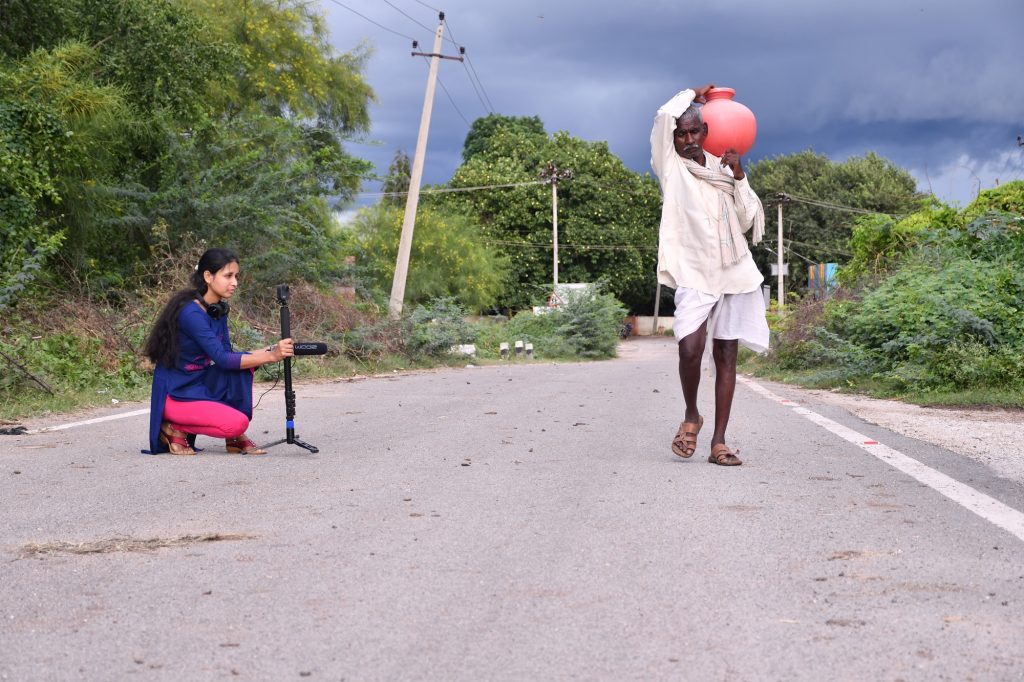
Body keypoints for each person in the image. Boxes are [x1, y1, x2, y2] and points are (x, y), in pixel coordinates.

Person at [650, 84, 769, 466]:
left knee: (726, 354)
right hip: (694, 271)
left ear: (706, 133)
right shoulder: (671, 167)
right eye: (681, 133)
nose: (687, 139)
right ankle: (691, 415)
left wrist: (738, 175)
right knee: (689, 347)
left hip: (733, 272)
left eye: (694, 131)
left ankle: (719, 441)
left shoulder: (723, 169)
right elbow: (663, 117)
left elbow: (749, 219)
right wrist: (691, 93)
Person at [142, 248, 294, 455]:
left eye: (236, 276)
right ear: (208, 276)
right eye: (228, 276)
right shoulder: (191, 313)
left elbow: (226, 353)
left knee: (242, 368)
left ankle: (232, 437)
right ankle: (171, 427)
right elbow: (222, 359)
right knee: (237, 423)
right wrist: (270, 355)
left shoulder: (217, 310)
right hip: (176, 393)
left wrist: (272, 350)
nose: (235, 282)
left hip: (199, 383)